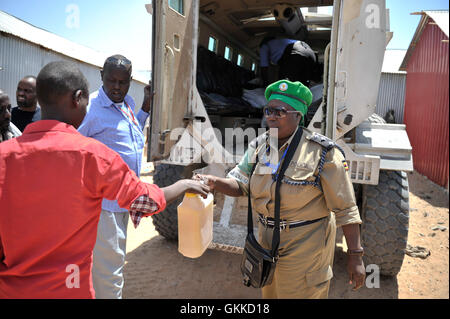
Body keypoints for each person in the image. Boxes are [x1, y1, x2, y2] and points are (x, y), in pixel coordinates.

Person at [0, 61, 209, 299]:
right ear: (77, 98)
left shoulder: (4, 156)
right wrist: (183, 184)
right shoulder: (94, 156)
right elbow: (144, 202)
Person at [195, 80, 365, 299]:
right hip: (266, 241)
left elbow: (346, 210)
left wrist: (356, 256)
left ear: (298, 115)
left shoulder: (322, 153)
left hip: (305, 245)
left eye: (279, 111)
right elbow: (241, 184)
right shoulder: (260, 146)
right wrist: (213, 182)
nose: (271, 116)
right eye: (268, 110)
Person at [77, 54, 154, 299]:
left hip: (123, 201)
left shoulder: (127, 105)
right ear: (101, 76)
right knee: (109, 273)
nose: (117, 87)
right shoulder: (90, 108)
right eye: (112, 81)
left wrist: (144, 110)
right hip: (103, 205)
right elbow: (71, 147)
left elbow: (132, 137)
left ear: (130, 81)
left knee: (112, 262)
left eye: (123, 82)